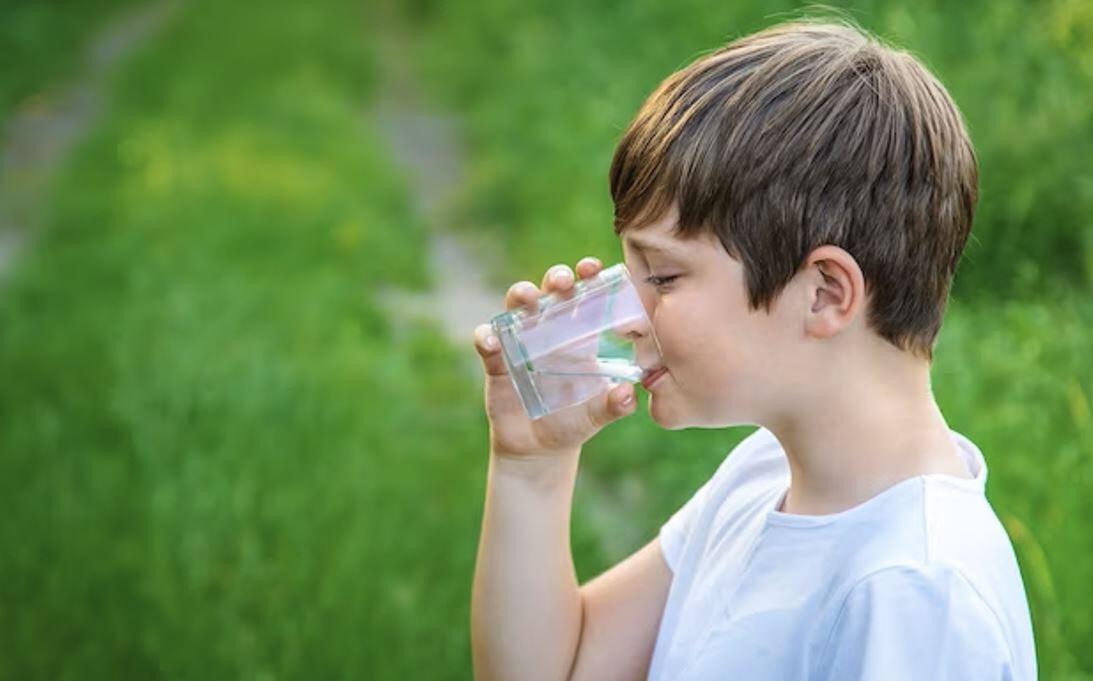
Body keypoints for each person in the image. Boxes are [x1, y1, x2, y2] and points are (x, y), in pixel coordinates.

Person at [469, 18, 1036, 681]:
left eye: (663, 277)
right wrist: (531, 466)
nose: (628, 319)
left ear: (824, 293)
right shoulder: (763, 476)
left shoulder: (916, 592)